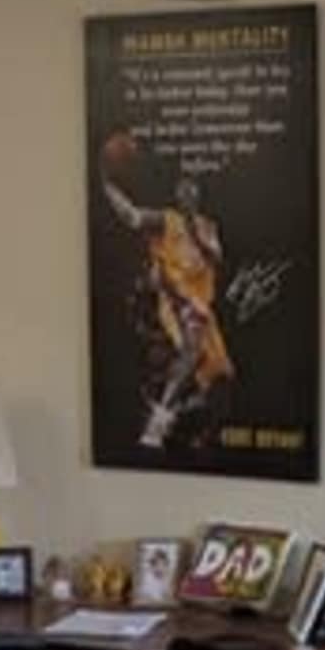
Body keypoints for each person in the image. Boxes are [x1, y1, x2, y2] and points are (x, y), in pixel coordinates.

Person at [100, 147, 233, 451]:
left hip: (201, 306)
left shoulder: (207, 227)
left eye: (192, 190)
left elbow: (216, 257)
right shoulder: (166, 220)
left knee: (220, 379)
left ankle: (173, 412)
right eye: (182, 190)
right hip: (176, 301)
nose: (187, 195)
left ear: (197, 197)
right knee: (193, 350)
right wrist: (107, 187)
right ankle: (158, 423)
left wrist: (194, 232)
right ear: (177, 195)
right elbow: (132, 217)